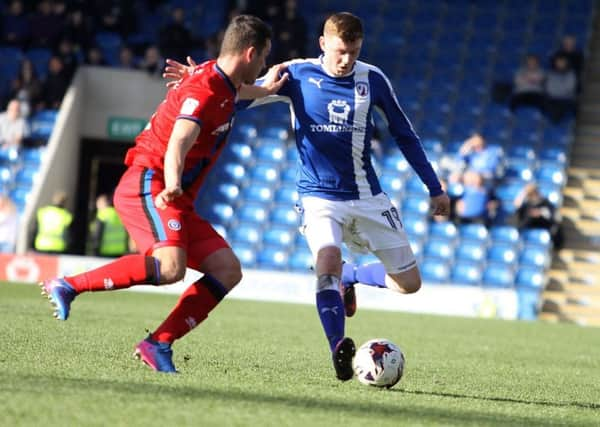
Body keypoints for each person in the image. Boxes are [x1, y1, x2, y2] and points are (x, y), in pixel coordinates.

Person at [165, 12, 450, 381]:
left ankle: (352, 275)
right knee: (326, 259)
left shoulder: (373, 79)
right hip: (318, 196)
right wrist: (201, 80)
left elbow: (405, 134)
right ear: (323, 44)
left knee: (409, 284)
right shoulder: (296, 73)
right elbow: (237, 95)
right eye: (341, 51)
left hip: (367, 196)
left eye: (354, 51)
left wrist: (435, 187)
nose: (346, 59)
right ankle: (337, 347)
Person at [39, 14, 287, 374]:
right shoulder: (204, 90)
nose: (264, 64)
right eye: (263, 57)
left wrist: (266, 90)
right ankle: (68, 284)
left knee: (227, 269)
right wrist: (172, 183)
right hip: (151, 183)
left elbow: (235, 92)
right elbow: (177, 143)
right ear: (250, 53)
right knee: (171, 267)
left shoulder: (221, 81)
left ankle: (158, 343)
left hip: (177, 196)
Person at [514, 183, 563, 249]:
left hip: (544, 225)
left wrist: (541, 212)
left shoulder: (545, 202)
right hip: (529, 226)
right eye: (530, 194)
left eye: (534, 193)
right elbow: (517, 206)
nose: (533, 196)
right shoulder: (527, 204)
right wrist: (523, 193)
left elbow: (553, 215)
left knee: (555, 230)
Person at [544, 54, 577, 123]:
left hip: (567, 98)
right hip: (553, 98)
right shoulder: (550, 74)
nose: (560, 64)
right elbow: (549, 88)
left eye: (562, 62)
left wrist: (559, 90)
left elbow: (569, 87)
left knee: (572, 107)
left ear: (566, 63)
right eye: (559, 62)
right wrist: (560, 89)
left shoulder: (570, 73)